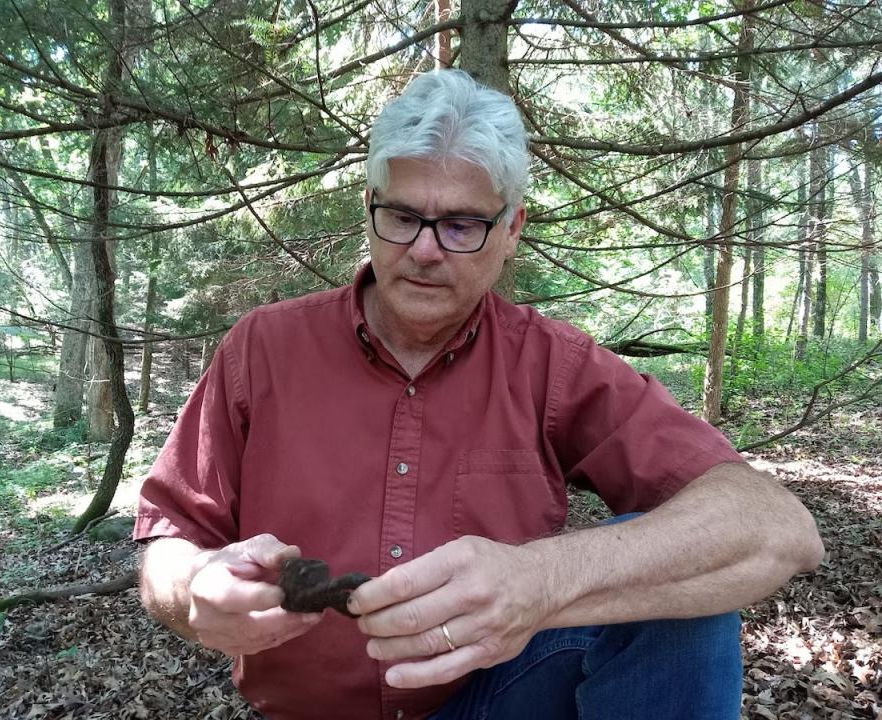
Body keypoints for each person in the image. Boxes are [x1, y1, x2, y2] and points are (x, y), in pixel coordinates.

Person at [134, 69, 824, 720]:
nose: (426, 250)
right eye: (402, 216)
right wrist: (195, 588)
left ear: (512, 229)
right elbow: (167, 542)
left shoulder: (551, 363)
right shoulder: (263, 349)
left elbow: (776, 528)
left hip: (493, 700)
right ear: (369, 208)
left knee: (680, 586)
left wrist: (540, 580)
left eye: (462, 225)